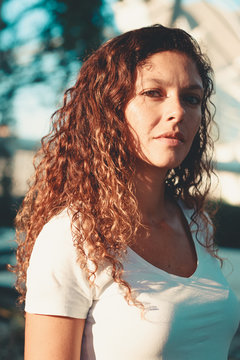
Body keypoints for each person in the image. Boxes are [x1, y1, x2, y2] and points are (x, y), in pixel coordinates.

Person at [13, 25, 239, 360]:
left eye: (191, 98)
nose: (178, 111)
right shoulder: (72, 236)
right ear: (110, 109)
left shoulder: (195, 221)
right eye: (154, 93)